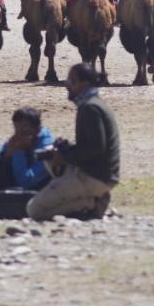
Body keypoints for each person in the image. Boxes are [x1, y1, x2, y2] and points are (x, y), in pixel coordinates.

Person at [27, 63, 119, 221]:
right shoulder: (92, 104)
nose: (67, 84)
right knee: (50, 159)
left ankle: (89, 202)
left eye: (72, 80)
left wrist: (65, 156)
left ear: (85, 84)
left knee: (34, 210)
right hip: (101, 174)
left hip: (95, 176)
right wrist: (65, 150)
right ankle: (89, 198)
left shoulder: (90, 109)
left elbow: (96, 147)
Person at [0, 107, 54, 190]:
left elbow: (25, 182)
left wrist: (19, 150)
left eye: (24, 129)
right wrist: (7, 154)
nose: (19, 134)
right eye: (16, 129)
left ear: (37, 128)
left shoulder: (46, 147)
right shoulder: (18, 138)